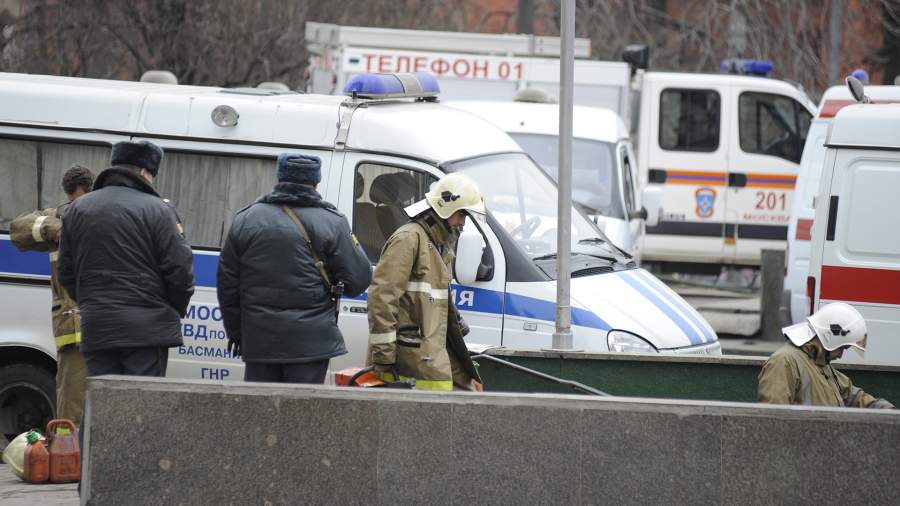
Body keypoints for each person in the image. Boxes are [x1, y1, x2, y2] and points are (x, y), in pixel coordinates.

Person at [217, 153, 371, 384]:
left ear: (279, 178)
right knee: (303, 415)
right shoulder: (333, 221)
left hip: (260, 341)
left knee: (260, 412)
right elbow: (358, 279)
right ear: (316, 182)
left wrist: (238, 334)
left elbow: (227, 284)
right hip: (311, 343)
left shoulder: (246, 218)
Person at [58, 140, 194, 377]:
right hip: (148, 331)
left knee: (101, 405)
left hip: (97, 326)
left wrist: (93, 302)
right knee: (141, 404)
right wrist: (171, 309)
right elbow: (180, 270)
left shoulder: (77, 210)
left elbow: (66, 272)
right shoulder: (159, 210)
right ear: (144, 171)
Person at [367, 172, 485, 391]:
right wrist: (383, 355)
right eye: (461, 215)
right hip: (410, 356)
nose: (462, 223)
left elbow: (437, 300)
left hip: (431, 350)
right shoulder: (408, 239)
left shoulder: (441, 244)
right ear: (444, 209)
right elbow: (382, 297)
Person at [10, 165, 94, 422]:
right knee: (72, 406)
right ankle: (67, 458)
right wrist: (54, 228)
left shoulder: (102, 214)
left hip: (97, 325)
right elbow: (17, 229)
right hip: (76, 328)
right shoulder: (59, 217)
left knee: (82, 405)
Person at [758, 302, 894, 408]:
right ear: (829, 338)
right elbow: (772, 420)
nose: (841, 355)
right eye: (842, 348)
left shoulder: (821, 364)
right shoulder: (784, 362)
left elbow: (854, 397)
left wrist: (889, 412)